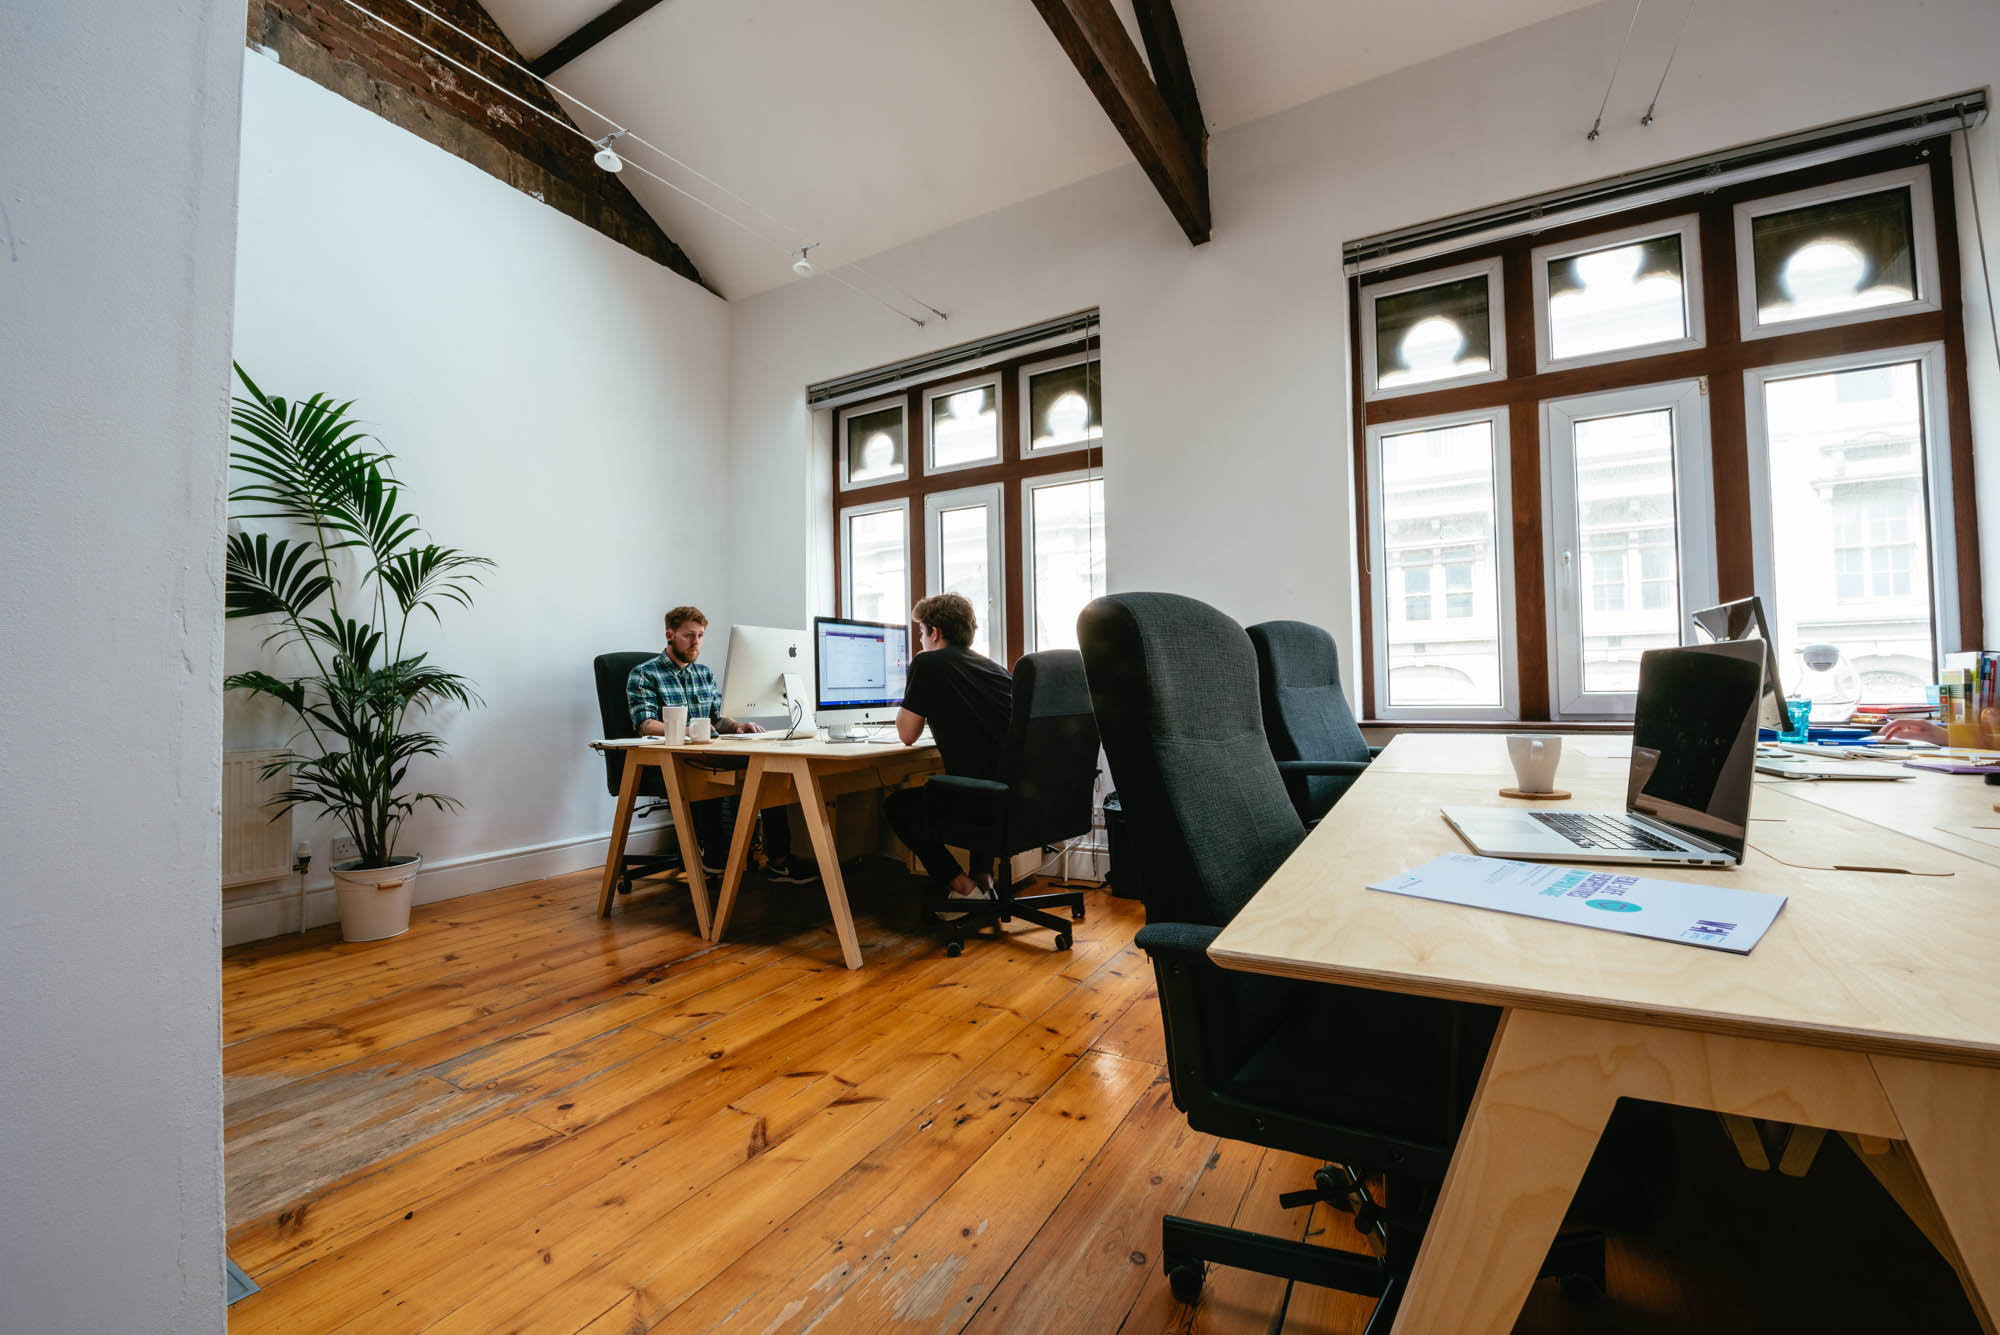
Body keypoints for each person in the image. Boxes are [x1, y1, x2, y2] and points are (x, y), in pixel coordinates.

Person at [627, 606, 816, 884]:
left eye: (701, 636)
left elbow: (718, 717)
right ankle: (717, 858)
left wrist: (738, 725)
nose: (696, 642)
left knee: (770, 770)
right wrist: (688, 729)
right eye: (689, 635)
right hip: (671, 757)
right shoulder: (644, 674)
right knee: (720, 777)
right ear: (670, 635)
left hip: (709, 751)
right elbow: (645, 724)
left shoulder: (703, 673)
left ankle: (779, 861)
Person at [884, 593, 1014, 915]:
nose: (922, 640)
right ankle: (984, 878)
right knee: (973, 779)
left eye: (921, 633)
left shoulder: (928, 663)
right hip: (1012, 800)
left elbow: (906, 734)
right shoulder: (993, 668)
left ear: (935, 633)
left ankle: (963, 887)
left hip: (979, 801)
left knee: (899, 806)